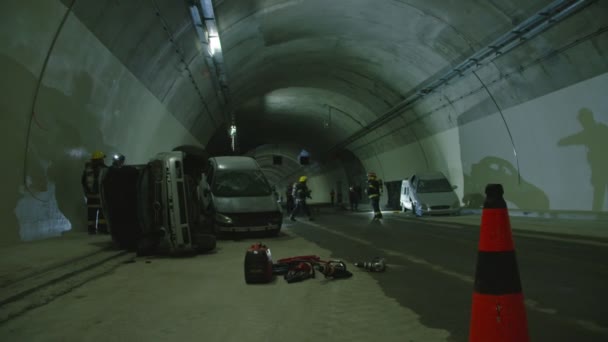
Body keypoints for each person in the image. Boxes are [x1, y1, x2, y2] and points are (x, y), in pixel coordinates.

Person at [81, 151, 109, 234]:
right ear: (100, 159)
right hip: (100, 198)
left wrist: (87, 194)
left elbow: (83, 182)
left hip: (90, 199)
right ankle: (102, 230)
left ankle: (91, 231)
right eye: (102, 159)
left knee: (91, 216)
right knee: (102, 216)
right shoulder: (104, 169)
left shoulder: (87, 170)